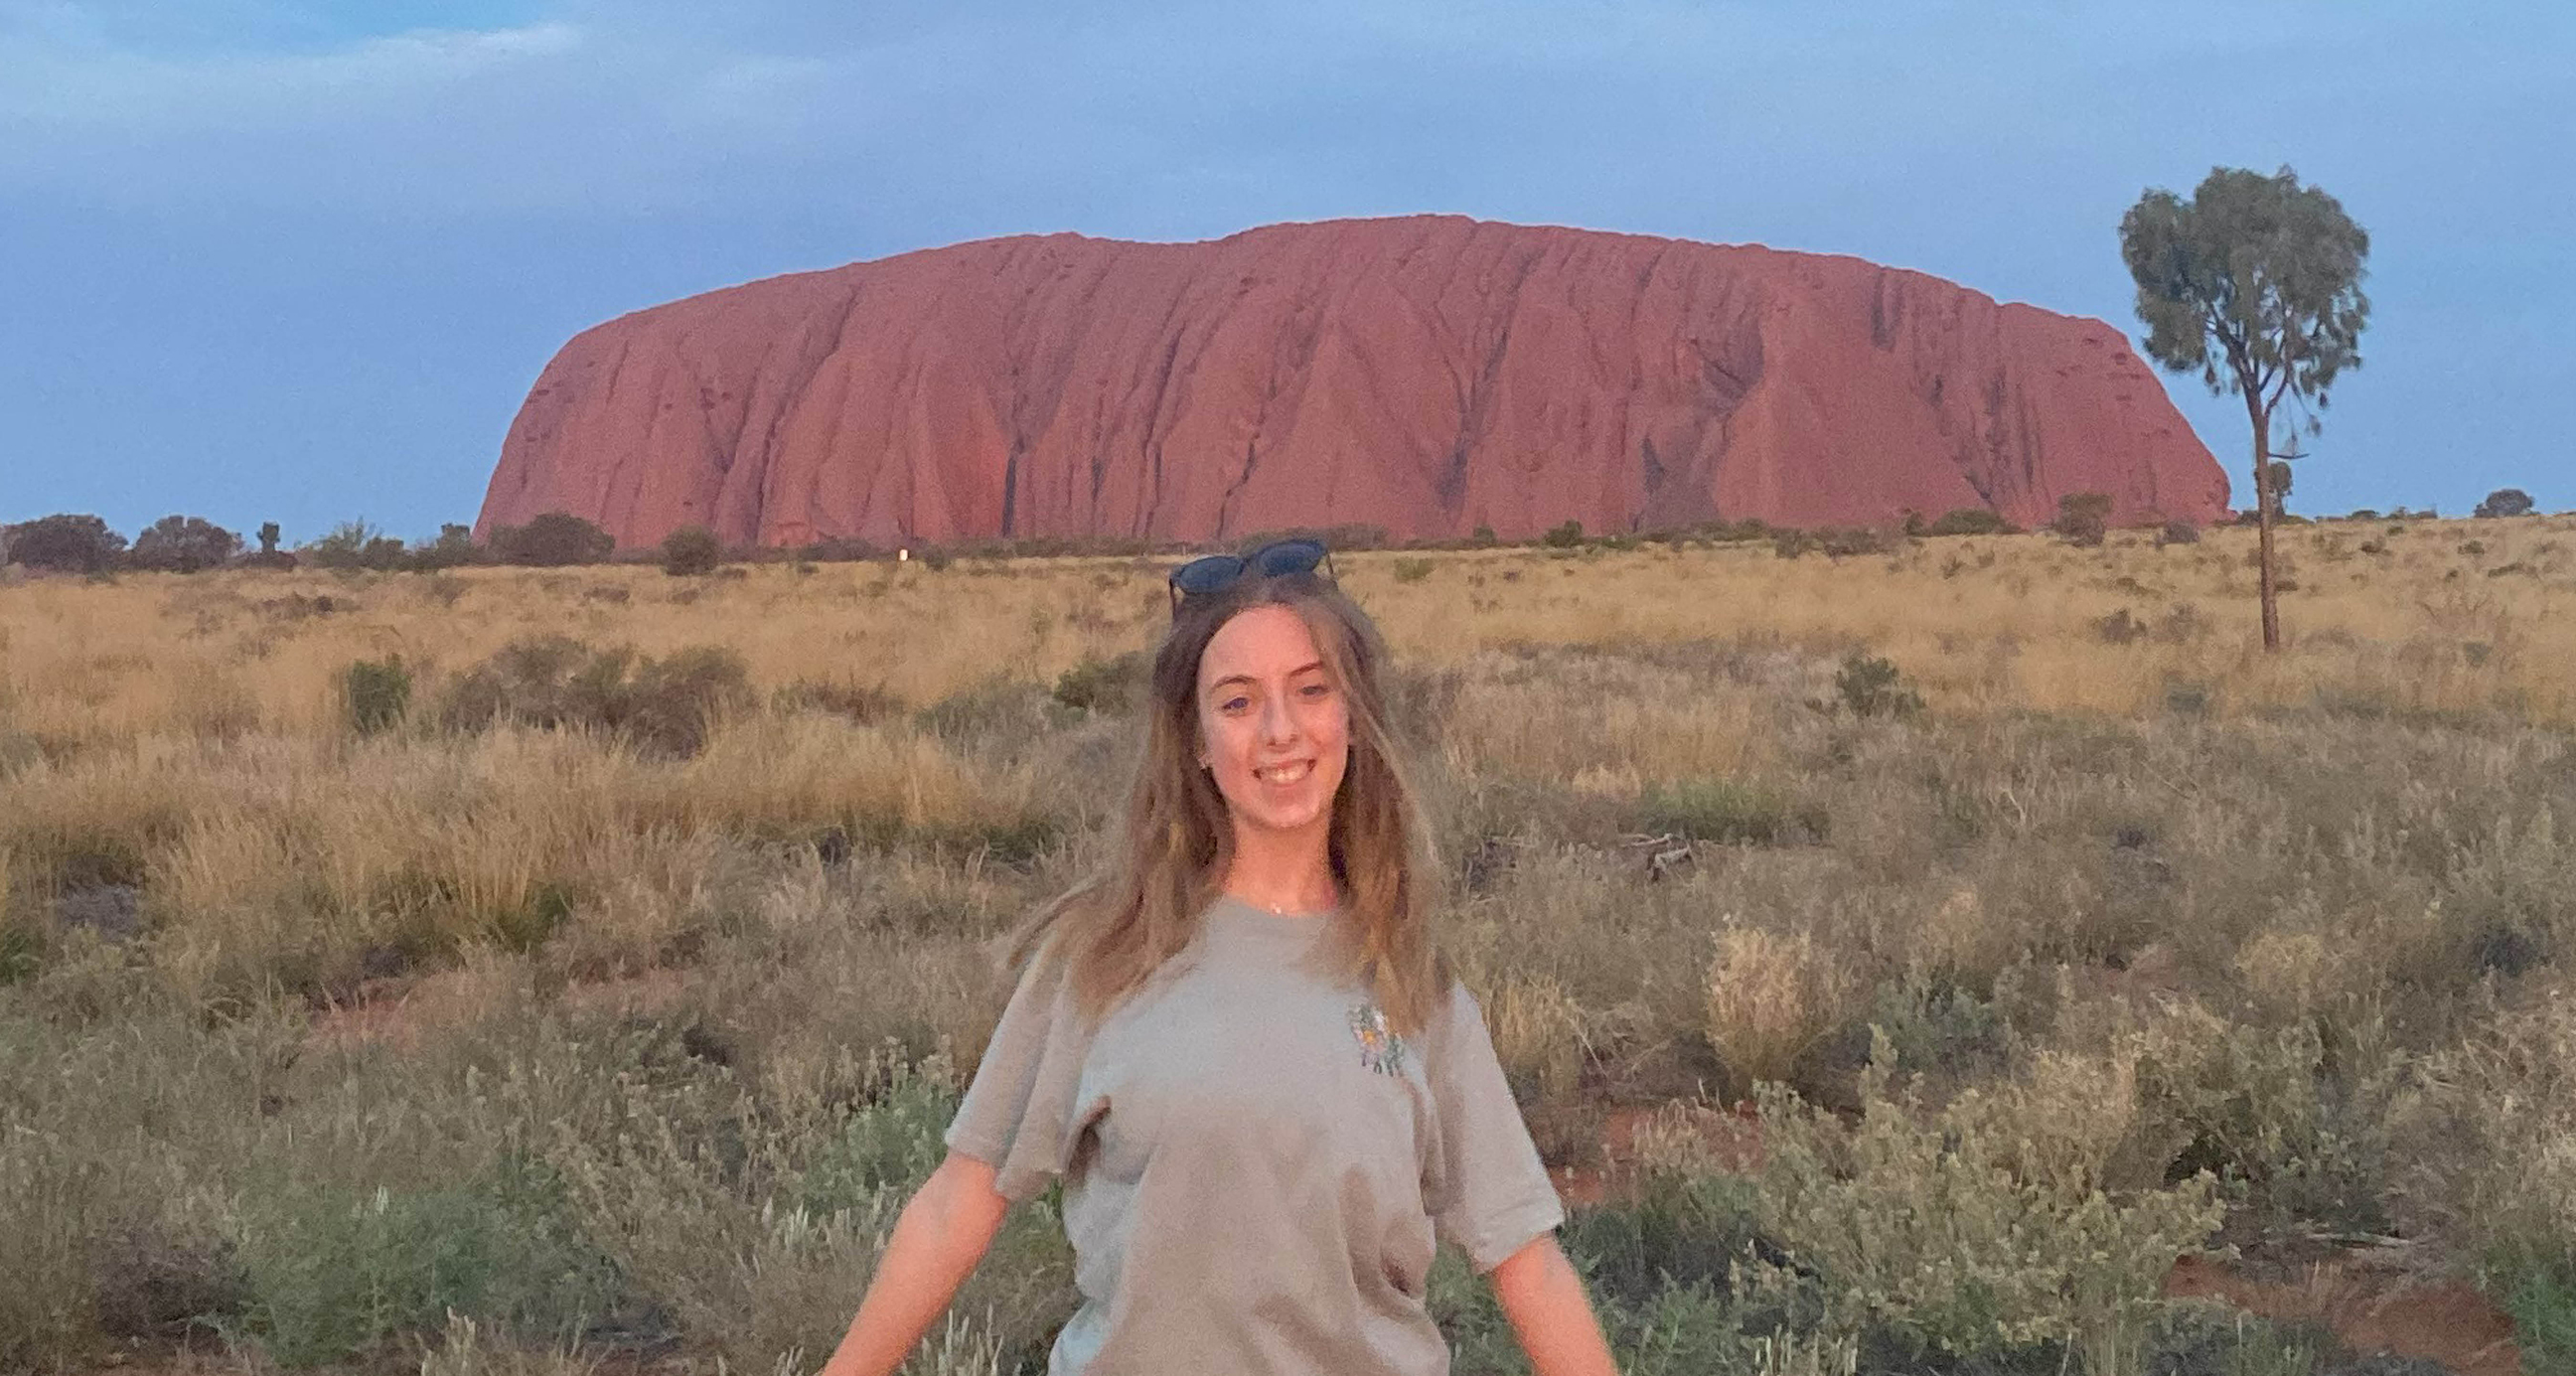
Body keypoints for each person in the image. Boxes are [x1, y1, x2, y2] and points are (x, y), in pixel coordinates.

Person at [817, 539, 1618, 1376]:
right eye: (1237, 703)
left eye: (1311, 690)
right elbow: (956, 1206)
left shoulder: (1412, 983)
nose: (1280, 731)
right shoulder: (1103, 955)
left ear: (1351, 715)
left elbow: (1526, 1261)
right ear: (1196, 740)